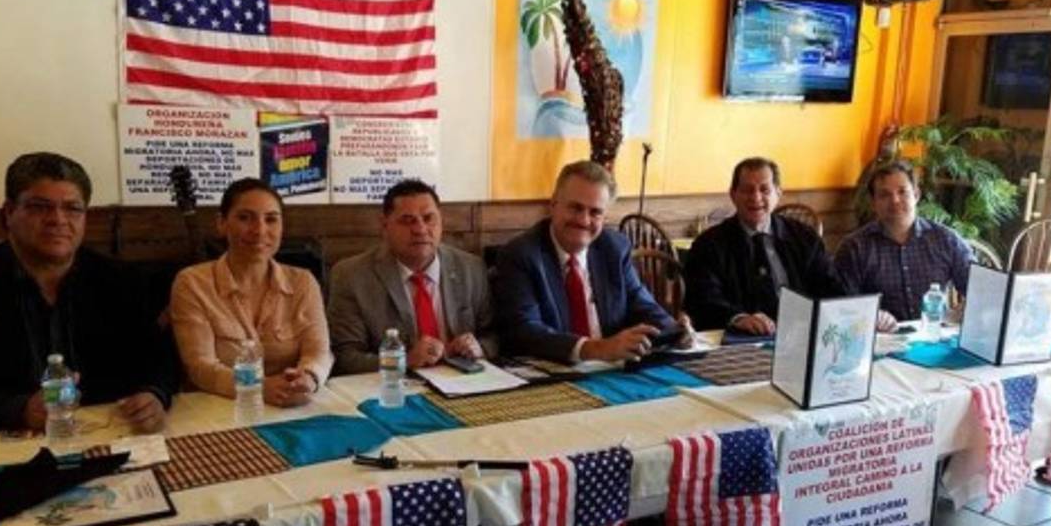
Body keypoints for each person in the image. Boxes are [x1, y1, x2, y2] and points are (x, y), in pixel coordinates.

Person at [0, 152, 177, 434]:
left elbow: (160, 358)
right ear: (8, 213)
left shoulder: (121, 280)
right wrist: (18, 410)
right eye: (40, 207)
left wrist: (155, 393)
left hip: (104, 431)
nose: (57, 219)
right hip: (0, 438)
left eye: (72, 208)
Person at [494, 160, 691, 363]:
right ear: (553, 205)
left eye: (595, 212)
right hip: (551, 370)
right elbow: (524, 331)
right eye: (575, 208)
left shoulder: (614, 248)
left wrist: (674, 330)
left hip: (611, 369)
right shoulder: (521, 254)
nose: (584, 220)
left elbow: (642, 305)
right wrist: (597, 348)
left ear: (605, 217)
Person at [170, 178, 332, 407]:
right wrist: (256, 387)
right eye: (245, 218)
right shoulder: (192, 283)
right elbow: (200, 367)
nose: (259, 230)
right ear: (222, 223)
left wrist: (308, 378)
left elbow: (319, 351)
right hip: (218, 409)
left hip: (290, 406)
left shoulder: (303, 282)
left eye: (271, 219)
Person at [327, 179, 496, 375]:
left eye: (428, 218)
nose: (420, 229)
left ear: (441, 222)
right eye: (407, 221)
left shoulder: (471, 268)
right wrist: (404, 360)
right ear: (384, 226)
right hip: (393, 385)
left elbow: (494, 335)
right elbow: (345, 358)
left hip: (462, 381)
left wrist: (480, 348)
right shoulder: (351, 276)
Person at [683, 157, 845, 334]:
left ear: (778, 194)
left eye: (764, 190)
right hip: (739, 338)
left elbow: (832, 289)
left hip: (799, 334)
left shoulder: (804, 238)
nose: (756, 197)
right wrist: (738, 318)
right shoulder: (709, 244)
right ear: (733, 195)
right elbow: (702, 298)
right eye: (747, 190)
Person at [835, 161, 975, 330]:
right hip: (882, 338)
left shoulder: (946, 240)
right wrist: (870, 315)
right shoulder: (854, 248)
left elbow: (979, 288)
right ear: (873, 203)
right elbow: (841, 304)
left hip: (935, 335)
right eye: (884, 195)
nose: (895, 200)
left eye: (902, 192)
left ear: (916, 195)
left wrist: (968, 309)